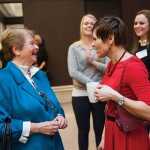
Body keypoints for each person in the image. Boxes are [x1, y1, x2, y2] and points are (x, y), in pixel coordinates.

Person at [0, 27, 68, 150]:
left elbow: (55, 106)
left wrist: (60, 115)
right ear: (16, 49)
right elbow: (2, 126)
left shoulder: (40, 75)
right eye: (31, 43)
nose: (37, 47)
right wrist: (36, 128)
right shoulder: (3, 79)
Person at [92, 16, 150, 150]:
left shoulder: (133, 66)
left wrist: (116, 96)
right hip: (113, 131)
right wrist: (104, 138)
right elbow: (110, 108)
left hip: (130, 136)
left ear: (110, 39)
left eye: (95, 39)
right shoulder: (111, 65)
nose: (93, 44)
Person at [67, 14, 109, 150]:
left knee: (100, 131)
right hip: (80, 95)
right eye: (86, 23)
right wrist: (92, 83)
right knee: (83, 132)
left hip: (99, 94)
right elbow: (73, 72)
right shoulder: (73, 47)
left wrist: (93, 62)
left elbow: (108, 69)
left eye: (92, 23)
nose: (89, 25)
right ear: (81, 26)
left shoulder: (102, 46)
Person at [132, 9, 150, 137]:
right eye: (135, 23)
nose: (137, 26)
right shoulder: (135, 48)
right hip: (139, 97)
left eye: (141, 23)